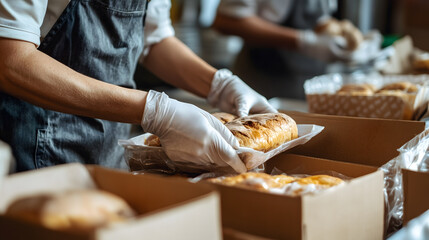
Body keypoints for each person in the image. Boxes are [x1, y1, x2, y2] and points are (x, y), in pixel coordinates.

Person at [0, 0, 277, 173]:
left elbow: (154, 39)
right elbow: (11, 60)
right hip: (33, 147)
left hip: (111, 145)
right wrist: (155, 111)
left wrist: (219, 84)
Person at [213, 0, 372, 99]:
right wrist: (303, 41)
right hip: (262, 85)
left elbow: (317, 15)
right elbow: (226, 20)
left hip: (308, 87)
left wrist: (335, 39)